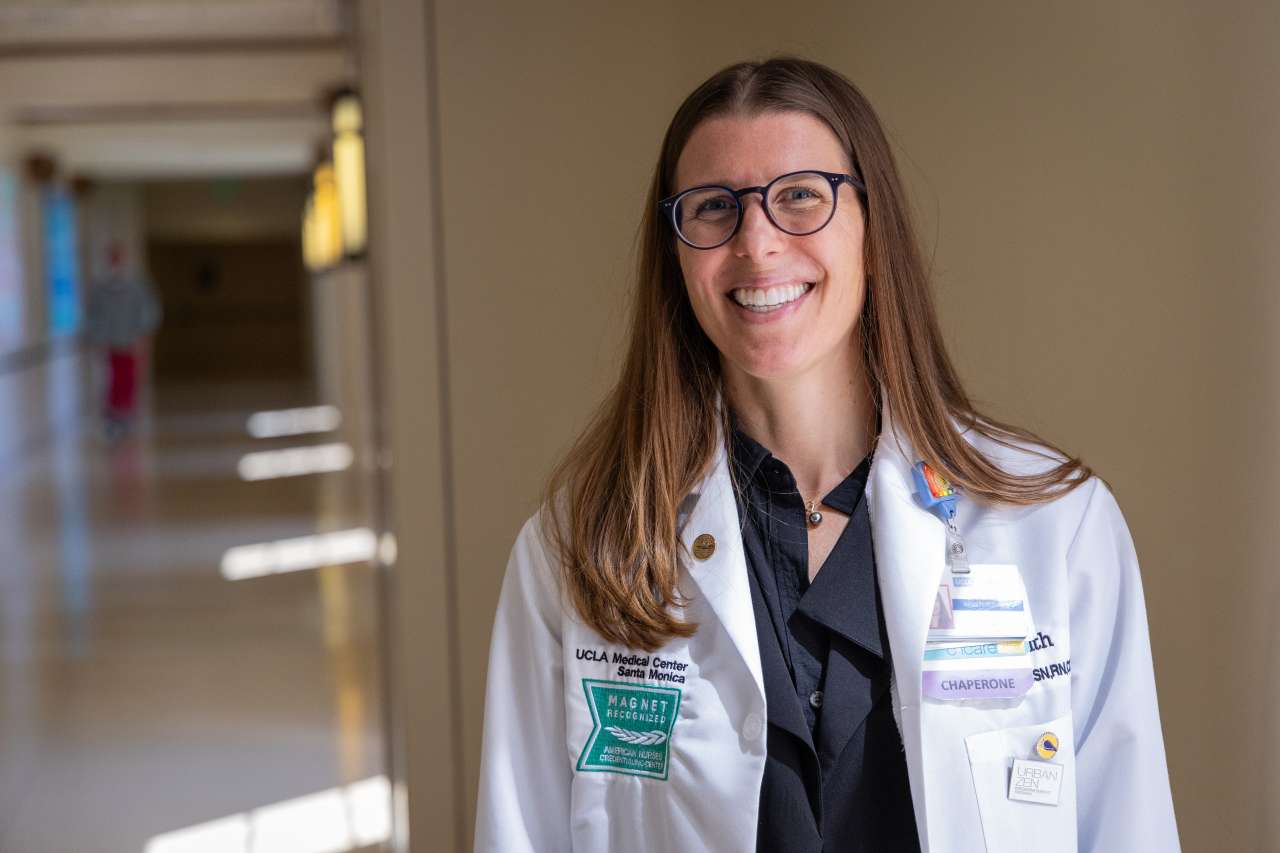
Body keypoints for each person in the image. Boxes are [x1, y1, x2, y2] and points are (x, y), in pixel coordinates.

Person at [474, 57, 1179, 852]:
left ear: (874, 229)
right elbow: (517, 832)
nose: (757, 243)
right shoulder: (579, 550)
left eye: (801, 196)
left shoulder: (1054, 525)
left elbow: (1130, 826)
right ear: (675, 256)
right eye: (714, 207)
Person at [84, 242, 161, 439]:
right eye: (112, 257)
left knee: (129, 378)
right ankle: (113, 417)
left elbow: (148, 312)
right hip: (110, 342)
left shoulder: (137, 285)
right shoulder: (100, 288)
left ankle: (127, 415)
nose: (116, 262)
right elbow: (94, 316)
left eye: (118, 257)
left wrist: (143, 336)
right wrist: (98, 339)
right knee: (111, 379)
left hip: (130, 341)